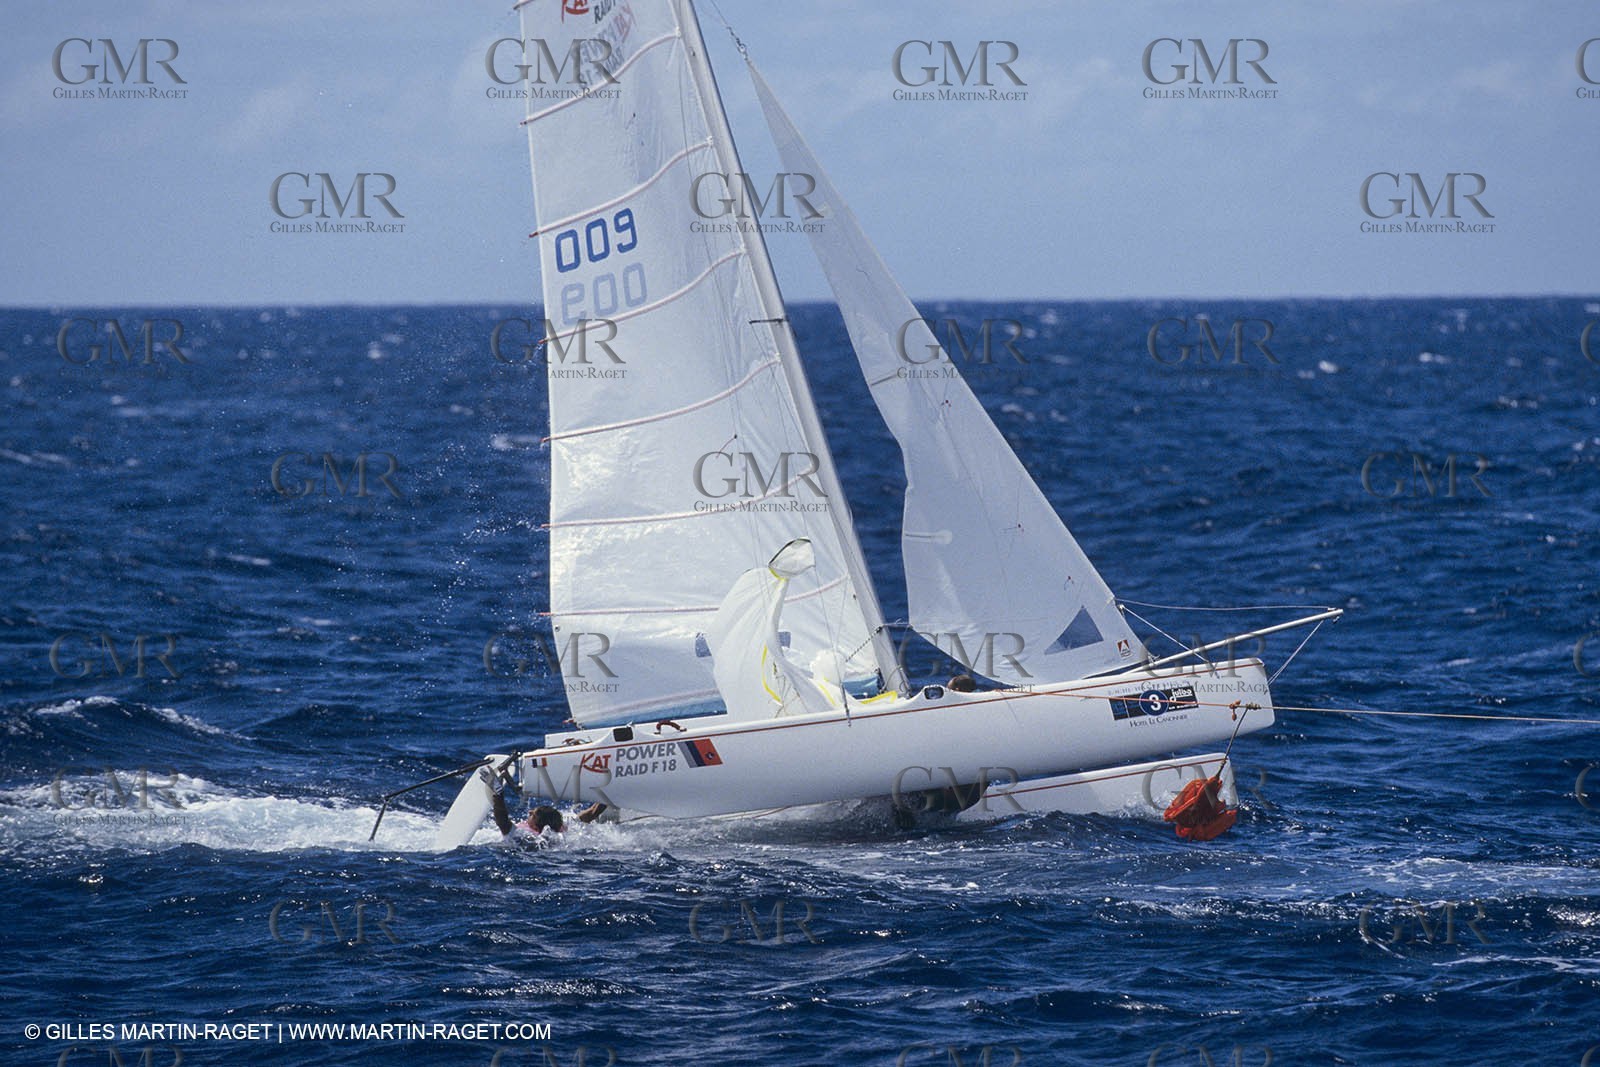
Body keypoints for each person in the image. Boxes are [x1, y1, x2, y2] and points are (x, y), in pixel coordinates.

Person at [481, 766, 608, 846]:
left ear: (536, 827)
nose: (529, 812)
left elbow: (502, 820)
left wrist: (498, 793)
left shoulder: (523, 835)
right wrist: (611, 790)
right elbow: (593, 812)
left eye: (533, 814)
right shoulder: (562, 825)